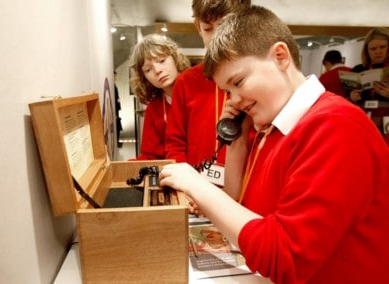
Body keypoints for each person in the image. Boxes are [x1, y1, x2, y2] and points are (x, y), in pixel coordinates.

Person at [159, 5, 389, 284]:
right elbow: (238, 205)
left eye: (239, 82)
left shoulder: (336, 126)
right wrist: (238, 140)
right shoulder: (271, 127)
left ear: (280, 56)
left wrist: (197, 185)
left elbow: (285, 258)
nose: (234, 100)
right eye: (227, 92)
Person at [165, 0, 251, 180]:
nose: (215, 38)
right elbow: (175, 144)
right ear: (197, 26)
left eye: (223, 27)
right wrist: (187, 186)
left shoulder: (256, 79)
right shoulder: (186, 82)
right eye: (208, 29)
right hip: (196, 188)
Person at [129, 33, 190, 160]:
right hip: (175, 174)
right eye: (148, 70)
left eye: (162, 61)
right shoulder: (154, 108)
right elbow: (150, 157)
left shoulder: (200, 89)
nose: (157, 70)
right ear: (144, 77)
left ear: (175, 58)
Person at [349, 27, 389, 142]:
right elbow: (346, 101)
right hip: (363, 122)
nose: (378, 52)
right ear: (366, 51)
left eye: (382, 47)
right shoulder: (358, 70)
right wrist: (352, 98)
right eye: (373, 49)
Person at [114, 71, 123, 148]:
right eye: (114, 76)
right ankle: (117, 141)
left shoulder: (114, 86)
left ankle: (118, 141)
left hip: (117, 109)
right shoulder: (113, 87)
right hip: (115, 110)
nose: (115, 78)